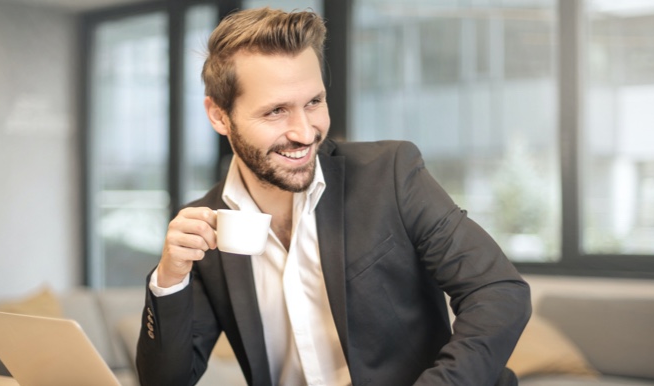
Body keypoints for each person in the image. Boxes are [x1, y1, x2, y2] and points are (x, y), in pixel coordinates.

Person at [136, 7, 531, 386]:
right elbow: (165, 381)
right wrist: (170, 280)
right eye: (276, 111)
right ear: (219, 115)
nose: (305, 132)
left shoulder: (390, 173)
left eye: (314, 102)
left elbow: (497, 291)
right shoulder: (204, 225)